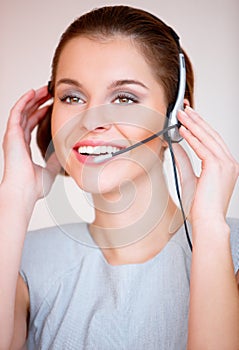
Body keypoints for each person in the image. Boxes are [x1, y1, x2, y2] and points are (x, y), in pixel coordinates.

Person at [0, 5, 238, 350]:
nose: (90, 120)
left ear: (175, 116)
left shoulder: (232, 251)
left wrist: (210, 227)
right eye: (72, 97)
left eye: (124, 98)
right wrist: (13, 199)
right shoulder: (22, 260)